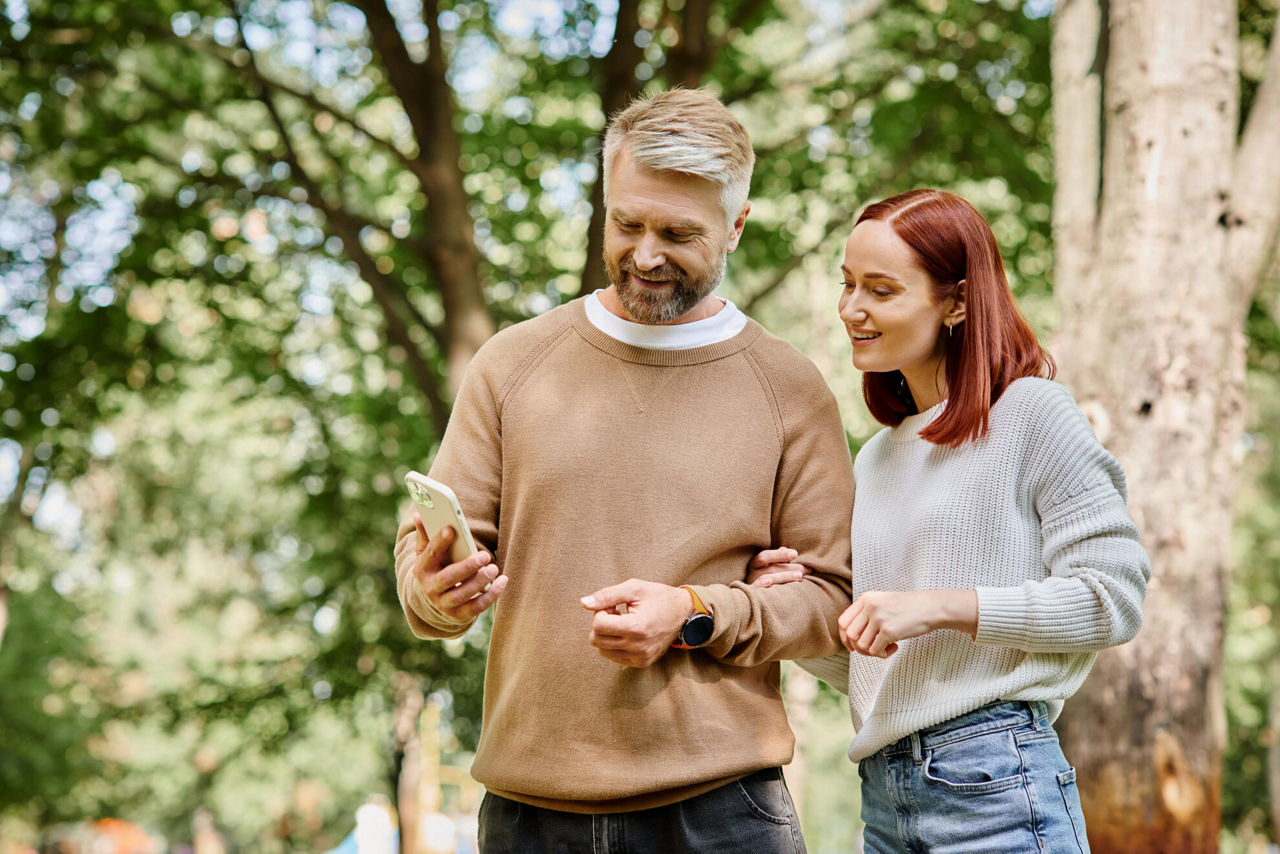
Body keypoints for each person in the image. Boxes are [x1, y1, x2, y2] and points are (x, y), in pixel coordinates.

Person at [393, 88, 855, 852]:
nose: (644, 254)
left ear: (737, 226)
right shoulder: (512, 363)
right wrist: (436, 593)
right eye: (626, 222)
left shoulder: (788, 387)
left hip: (722, 813)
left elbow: (832, 600)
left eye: (678, 232)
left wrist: (696, 611)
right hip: (528, 815)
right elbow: (427, 563)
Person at [787, 188, 1151, 853]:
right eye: (847, 285)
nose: (852, 309)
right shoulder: (874, 459)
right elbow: (881, 664)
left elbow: (1115, 599)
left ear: (956, 302)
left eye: (881, 290)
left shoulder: (1031, 414)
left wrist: (940, 606)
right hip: (886, 797)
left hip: (996, 784)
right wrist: (793, 604)